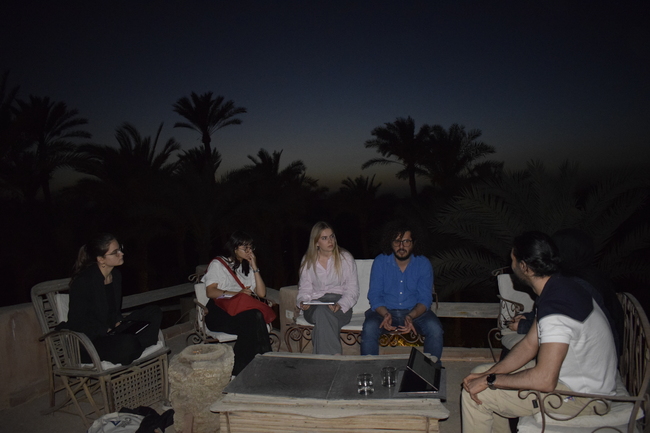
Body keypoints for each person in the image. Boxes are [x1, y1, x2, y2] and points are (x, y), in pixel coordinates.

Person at [461, 231, 617, 433]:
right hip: (572, 379)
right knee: (479, 373)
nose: (511, 266)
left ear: (524, 267)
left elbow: (544, 379)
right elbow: (529, 345)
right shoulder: (559, 287)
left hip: (585, 398)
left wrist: (491, 381)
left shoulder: (556, 311)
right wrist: (488, 375)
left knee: (478, 394)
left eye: (513, 260)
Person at [63, 233, 162, 365]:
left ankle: (135, 346)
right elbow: (77, 322)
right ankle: (135, 346)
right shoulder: (84, 282)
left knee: (153, 312)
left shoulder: (115, 275)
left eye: (120, 249)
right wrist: (105, 330)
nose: (121, 254)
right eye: (115, 252)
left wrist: (118, 323)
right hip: (92, 341)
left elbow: (114, 310)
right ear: (101, 259)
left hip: (114, 333)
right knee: (127, 344)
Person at [360, 222, 443, 360]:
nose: (401, 246)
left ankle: (431, 369)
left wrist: (411, 316)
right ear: (390, 243)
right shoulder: (381, 262)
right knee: (369, 328)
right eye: (397, 241)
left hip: (415, 312)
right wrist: (385, 314)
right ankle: (369, 368)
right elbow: (374, 295)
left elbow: (425, 299)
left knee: (435, 329)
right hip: (384, 311)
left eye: (406, 241)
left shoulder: (423, 263)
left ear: (413, 243)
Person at [202, 231, 272, 375]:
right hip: (218, 312)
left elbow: (261, 293)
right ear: (234, 248)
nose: (249, 251)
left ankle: (242, 369)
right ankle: (263, 363)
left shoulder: (247, 268)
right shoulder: (218, 264)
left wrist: (254, 266)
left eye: (251, 247)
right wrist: (237, 294)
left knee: (253, 318)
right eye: (245, 248)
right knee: (254, 320)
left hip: (240, 311)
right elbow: (210, 292)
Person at [296, 222, 360, 355]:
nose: (330, 241)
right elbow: (304, 290)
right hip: (314, 304)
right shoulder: (308, 261)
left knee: (322, 317)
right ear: (316, 242)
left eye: (332, 236)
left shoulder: (345, 258)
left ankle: (327, 360)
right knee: (321, 311)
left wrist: (341, 304)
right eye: (324, 238)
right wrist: (302, 302)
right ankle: (334, 357)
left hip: (339, 305)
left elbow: (352, 290)